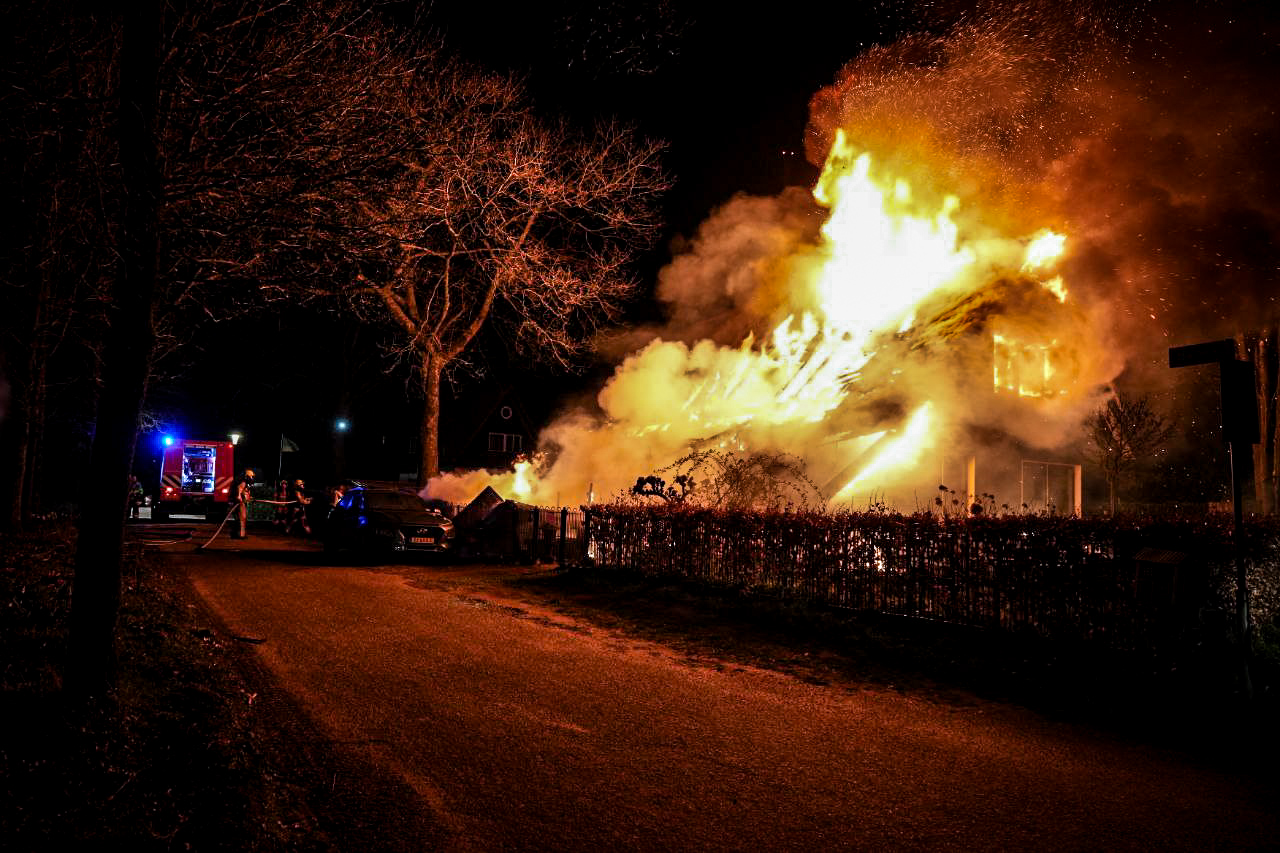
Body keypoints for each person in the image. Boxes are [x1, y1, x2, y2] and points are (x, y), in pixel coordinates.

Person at [229, 468, 255, 539]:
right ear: (247, 476)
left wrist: (249, 498)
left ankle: (238, 534)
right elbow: (239, 491)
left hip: (242, 502)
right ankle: (240, 534)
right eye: (251, 476)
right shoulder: (243, 482)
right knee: (242, 518)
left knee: (242, 518)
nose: (252, 478)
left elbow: (245, 492)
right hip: (240, 503)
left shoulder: (246, 483)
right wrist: (239, 498)